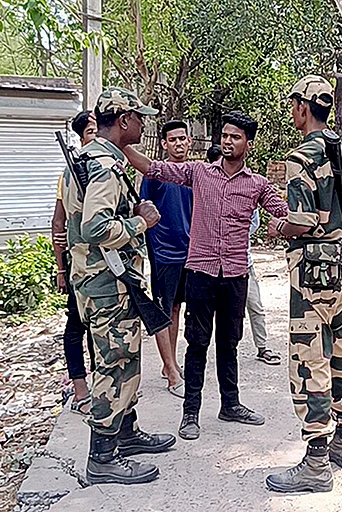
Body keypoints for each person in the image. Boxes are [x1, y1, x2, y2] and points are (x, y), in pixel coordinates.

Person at [123, 111, 289, 441]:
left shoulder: (257, 184)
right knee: (197, 344)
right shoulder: (199, 172)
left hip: (236, 275)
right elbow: (155, 169)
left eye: (235, 137)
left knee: (229, 343)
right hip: (200, 272)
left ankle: (231, 404)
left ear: (249, 144)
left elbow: (285, 212)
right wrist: (122, 144)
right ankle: (190, 413)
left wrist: (282, 226)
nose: (227, 141)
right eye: (224, 135)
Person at [62, 87, 176, 485]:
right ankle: (103, 457)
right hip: (108, 283)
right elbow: (96, 227)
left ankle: (125, 433)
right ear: (124, 120)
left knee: (121, 361)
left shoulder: (88, 157)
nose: (143, 123)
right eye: (139, 117)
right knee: (116, 365)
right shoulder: (105, 166)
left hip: (97, 280)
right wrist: (142, 221)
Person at [265, 75, 342, 493]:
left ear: (303, 108)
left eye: (294, 106)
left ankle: (315, 463)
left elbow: (304, 220)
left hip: (310, 274)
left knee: (310, 360)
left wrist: (278, 226)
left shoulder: (302, 157)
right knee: (341, 351)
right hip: (341, 270)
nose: (293, 113)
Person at [140, 120, 194, 399]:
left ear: (190, 141)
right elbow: (143, 208)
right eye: (172, 139)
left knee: (177, 309)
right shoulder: (154, 174)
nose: (178, 143)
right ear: (164, 144)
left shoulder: (196, 173)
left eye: (182, 138)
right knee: (164, 309)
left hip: (191, 252)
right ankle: (172, 372)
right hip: (164, 252)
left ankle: (169, 363)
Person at [52, 110, 96, 416]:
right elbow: (58, 224)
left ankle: (103, 388)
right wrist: (61, 268)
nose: (96, 137)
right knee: (76, 326)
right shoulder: (70, 173)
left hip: (105, 265)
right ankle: (81, 390)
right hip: (80, 264)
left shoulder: (106, 168)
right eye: (91, 131)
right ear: (81, 138)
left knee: (99, 330)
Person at [247, 209, 281, 365]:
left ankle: (262, 347)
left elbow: (253, 225)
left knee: (255, 306)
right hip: (219, 262)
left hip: (244, 264)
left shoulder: (249, 199)